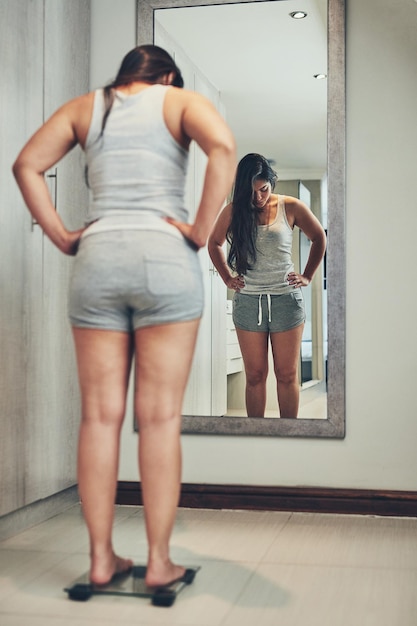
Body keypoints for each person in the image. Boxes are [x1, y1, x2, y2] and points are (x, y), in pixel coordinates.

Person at [13, 45, 236, 588]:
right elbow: (224, 148)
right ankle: (159, 564)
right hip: (164, 259)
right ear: (166, 76)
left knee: (98, 417)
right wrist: (200, 230)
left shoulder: (87, 107)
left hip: (98, 262)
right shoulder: (178, 100)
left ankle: (100, 560)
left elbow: (26, 165)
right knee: (158, 418)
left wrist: (64, 235)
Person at [208, 153, 326, 419]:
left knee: (286, 374)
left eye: (264, 189)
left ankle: (288, 433)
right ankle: (256, 435)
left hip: (286, 300)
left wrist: (307, 276)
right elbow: (213, 243)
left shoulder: (291, 206)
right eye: (252, 192)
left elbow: (319, 238)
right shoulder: (233, 211)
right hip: (249, 302)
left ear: (272, 183)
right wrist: (227, 278)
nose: (258, 197)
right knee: (255, 375)